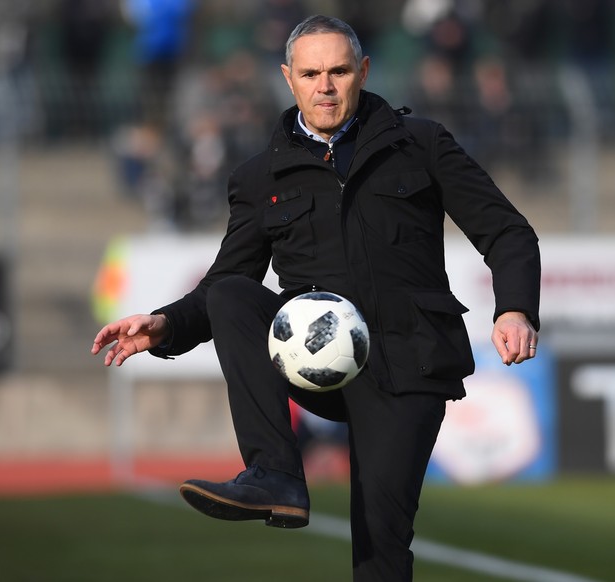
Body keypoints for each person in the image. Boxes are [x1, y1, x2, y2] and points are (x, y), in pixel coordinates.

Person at [91, 15, 540, 582]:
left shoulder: (420, 144)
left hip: (408, 362)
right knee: (232, 293)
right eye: (310, 73)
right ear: (288, 78)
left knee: (380, 538)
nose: (324, 85)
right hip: (314, 366)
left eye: (338, 70)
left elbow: (508, 231)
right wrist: (164, 324)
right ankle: (274, 473)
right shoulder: (259, 176)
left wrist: (515, 307)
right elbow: (222, 282)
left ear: (363, 71)